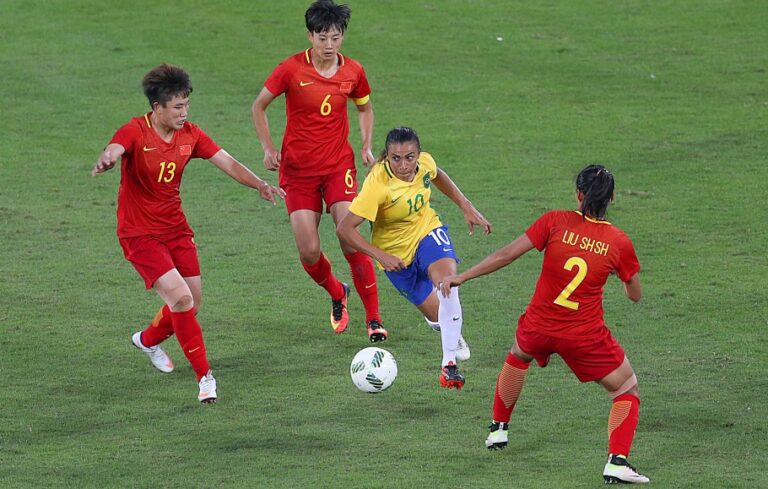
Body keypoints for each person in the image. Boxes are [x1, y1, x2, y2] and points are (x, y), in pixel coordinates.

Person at [439, 165, 650, 483]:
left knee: (518, 355)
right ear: (612, 198)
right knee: (625, 388)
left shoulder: (555, 221)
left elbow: (508, 254)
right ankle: (617, 461)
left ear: (578, 195)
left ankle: (498, 429)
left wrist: (463, 276)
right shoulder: (617, 242)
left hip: (538, 326)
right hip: (584, 336)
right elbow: (634, 294)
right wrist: (622, 277)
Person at [92, 64, 284, 404]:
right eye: (177, 107)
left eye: (187, 105)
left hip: (176, 229)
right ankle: (205, 378)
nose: (184, 112)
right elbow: (116, 147)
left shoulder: (190, 135)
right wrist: (108, 157)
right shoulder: (136, 131)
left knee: (191, 303)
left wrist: (259, 184)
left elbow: (227, 162)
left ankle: (147, 340)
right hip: (139, 234)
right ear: (158, 109)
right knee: (180, 299)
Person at [252, 0, 385, 342]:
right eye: (322, 37)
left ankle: (374, 319)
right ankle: (338, 291)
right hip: (297, 172)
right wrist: (268, 148)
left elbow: (365, 107)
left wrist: (366, 144)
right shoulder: (291, 69)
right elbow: (259, 106)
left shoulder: (353, 71)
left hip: (338, 166)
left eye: (336, 38)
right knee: (309, 251)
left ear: (343, 37)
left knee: (349, 237)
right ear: (310, 35)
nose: (329, 45)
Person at [337, 127, 491, 389]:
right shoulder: (378, 185)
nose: (404, 165)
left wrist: (467, 206)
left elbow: (438, 175)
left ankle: (449, 364)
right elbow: (344, 229)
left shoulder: (424, 164)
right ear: (387, 157)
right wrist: (380, 255)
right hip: (395, 255)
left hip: (427, 232)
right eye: (396, 158)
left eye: (410, 157)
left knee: (448, 284)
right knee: (439, 316)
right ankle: (446, 329)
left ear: (418, 155)